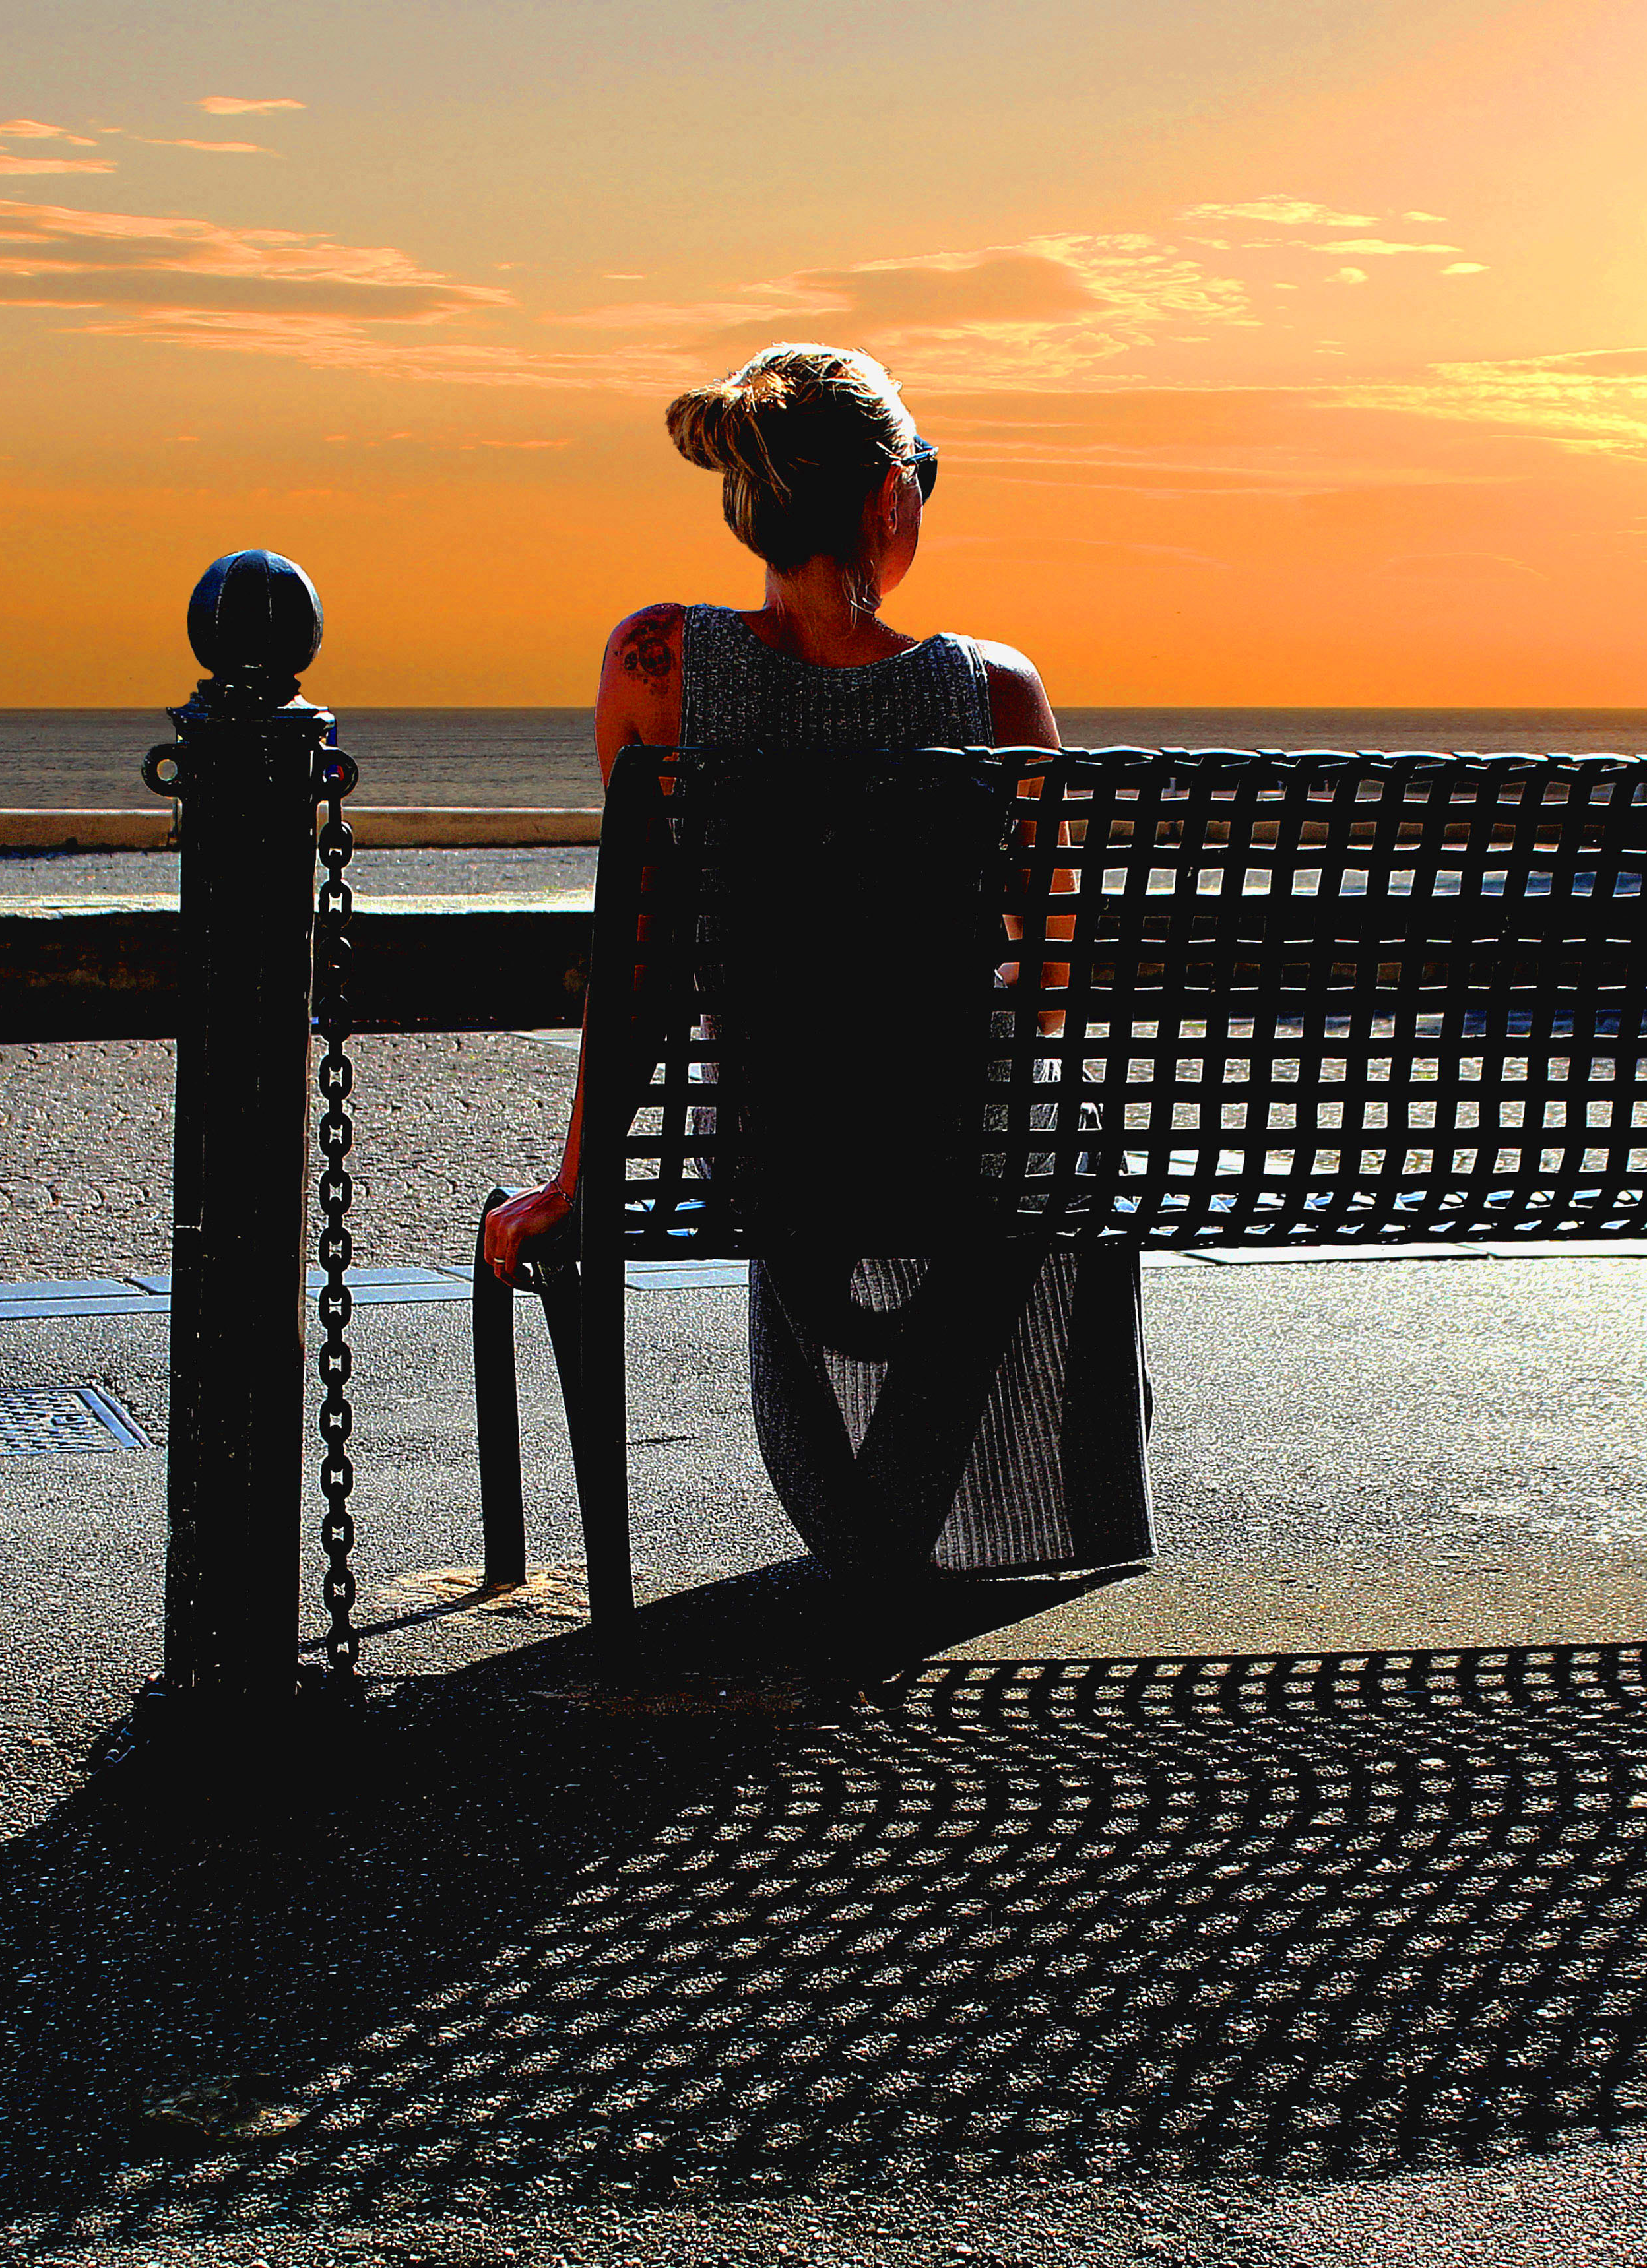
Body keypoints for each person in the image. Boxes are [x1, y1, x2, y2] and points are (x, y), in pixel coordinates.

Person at [480, 342, 1152, 1584]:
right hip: (966, 1139)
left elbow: (638, 960)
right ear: (891, 498)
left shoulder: (657, 663)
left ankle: (873, 1512)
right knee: (1039, 1148)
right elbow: (1057, 972)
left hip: (774, 1145)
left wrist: (580, 1179)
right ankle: (1031, 1511)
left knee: (890, 1144)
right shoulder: (994, 690)